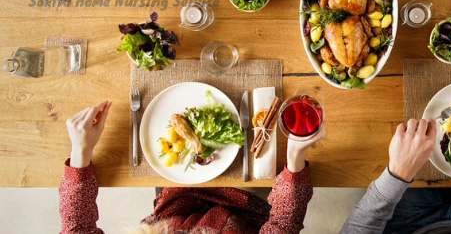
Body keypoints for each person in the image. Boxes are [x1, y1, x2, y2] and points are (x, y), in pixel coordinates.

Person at [60, 100, 324, 233]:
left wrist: (80, 151)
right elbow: (283, 223)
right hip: (243, 205)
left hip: (175, 201)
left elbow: (76, 227)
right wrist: (294, 158)